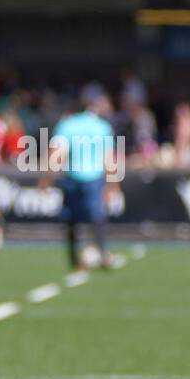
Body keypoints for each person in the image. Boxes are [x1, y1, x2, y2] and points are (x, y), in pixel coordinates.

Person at [40, 92, 119, 270]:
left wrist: (46, 179)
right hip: (93, 177)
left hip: (72, 176)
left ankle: (73, 258)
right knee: (96, 217)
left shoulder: (66, 125)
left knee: (70, 219)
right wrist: (112, 184)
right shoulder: (101, 126)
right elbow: (110, 158)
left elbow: (57, 154)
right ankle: (103, 253)